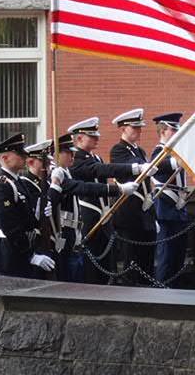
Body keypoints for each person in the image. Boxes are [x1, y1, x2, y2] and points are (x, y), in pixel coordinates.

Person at [68, 117, 152, 284]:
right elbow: (100, 170)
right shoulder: (76, 160)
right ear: (79, 138)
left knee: (107, 264)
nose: (97, 138)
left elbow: (104, 169)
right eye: (92, 136)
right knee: (93, 267)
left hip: (104, 216)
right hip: (89, 217)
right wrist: (134, 168)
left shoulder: (95, 157)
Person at [49, 133, 138, 282]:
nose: (72, 156)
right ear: (56, 154)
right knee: (73, 276)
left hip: (75, 230)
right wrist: (119, 188)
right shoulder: (55, 175)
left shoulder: (66, 172)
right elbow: (84, 187)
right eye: (68, 152)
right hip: (64, 232)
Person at [0, 133, 55, 278]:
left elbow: (26, 218)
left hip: (24, 249)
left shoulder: (18, 182)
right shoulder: (2, 186)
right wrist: (31, 255)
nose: (25, 157)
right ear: (5, 158)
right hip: (11, 253)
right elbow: (10, 227)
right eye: (19, 154)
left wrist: (39, 215)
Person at [110, 108, 158, 286]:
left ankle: (147, 287)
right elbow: (127, 166)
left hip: (145, 212)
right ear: (123, 128)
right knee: (132, 260)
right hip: (129, 213)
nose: (139, 131)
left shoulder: (140, 151)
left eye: (139, 127)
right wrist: (142, 165)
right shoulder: (118, 150)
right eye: (134, 127)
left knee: (147, 259)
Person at [151, 113, 190, 287]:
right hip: (165, 208)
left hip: (179, 208)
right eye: (173, 130)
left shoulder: (174, 153)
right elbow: (160, 165)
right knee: (166, 257)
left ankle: (176, 290)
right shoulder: (159, 152)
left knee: (178, 256)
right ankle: (163, 291)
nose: (176, 133)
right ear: (163, 131)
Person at [21, 140, 58, 279]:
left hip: (51, 238)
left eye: (48, 162)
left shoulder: (46, 182)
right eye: (44, 163)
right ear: (30, 162)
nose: (47, 166)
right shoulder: (26, 184)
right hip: (37, 241)